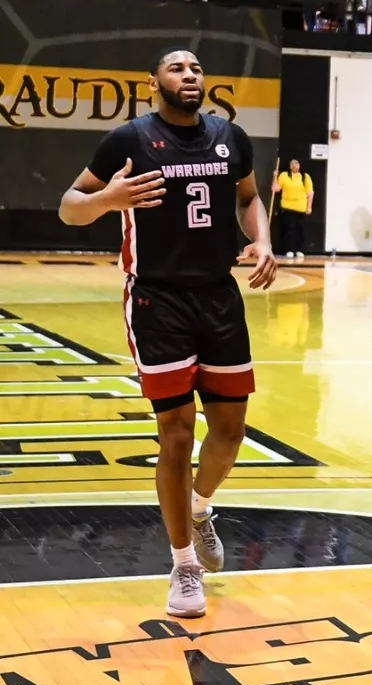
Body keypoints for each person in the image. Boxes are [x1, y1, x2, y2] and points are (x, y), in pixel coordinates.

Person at [57, 49, 277, 618]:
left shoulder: (230, 137)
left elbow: (250, 198)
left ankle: (199, 507)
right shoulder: (129, 139)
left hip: (219, 297)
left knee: (230, 430)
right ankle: (183, 566)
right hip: (157, 299)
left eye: (198, 68)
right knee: (176, 434)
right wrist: (107, 199)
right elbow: (68, 207)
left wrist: (264, 240)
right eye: (177, 68)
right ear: (154, 82)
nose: (190, 75)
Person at [273, 158, 314, 259]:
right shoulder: (284, 175)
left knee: (300, 230)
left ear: (299, 165)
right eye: (292, 164)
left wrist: (309, 207)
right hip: (287, 207)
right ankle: (289, 250)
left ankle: (299, 250)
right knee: (289, 230)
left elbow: (310, 193)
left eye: (296, 163)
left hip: (301, 207)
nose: (294, 165)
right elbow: (276, 189)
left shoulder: (305, 177)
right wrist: (275, 177)